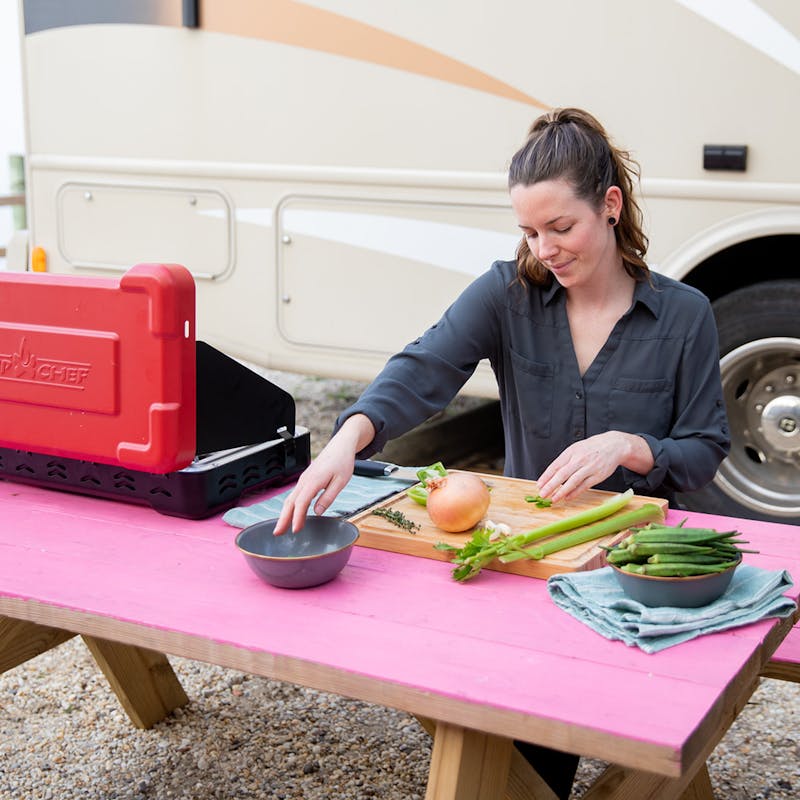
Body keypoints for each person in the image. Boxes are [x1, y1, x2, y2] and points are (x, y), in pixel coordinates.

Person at [274, 107, 731, 798]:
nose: (544, 248)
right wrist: (349, 437)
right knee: (503, 727)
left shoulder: (685, 314)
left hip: (632, 571)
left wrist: (632, 446)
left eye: (560, 227)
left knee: (634, 735)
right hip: (525, 565)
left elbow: (703, 453)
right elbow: (423, 369)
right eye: (529, 231)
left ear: (610, 206)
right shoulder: (507, 294)